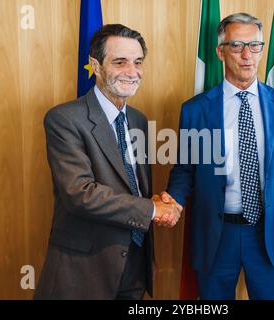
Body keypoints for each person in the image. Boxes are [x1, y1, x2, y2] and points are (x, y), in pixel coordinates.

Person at [162, 13, 274, 300]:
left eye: (254, 46)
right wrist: (173, 200)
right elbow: (185, 170)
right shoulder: (195, 110)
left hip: (270, 232)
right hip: (217, 234)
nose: (247, 55)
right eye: (237, 46)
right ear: (220, 51)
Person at [34, 24, 181, 300]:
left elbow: (132, 187)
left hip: (135, 264)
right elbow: (80, 194)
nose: (132, 71)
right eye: (120, 62)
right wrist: (151, 209)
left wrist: (158, 209)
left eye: (138, 62)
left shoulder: (138, 120)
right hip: (84, 270)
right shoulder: (64, 119)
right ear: (96, 65)